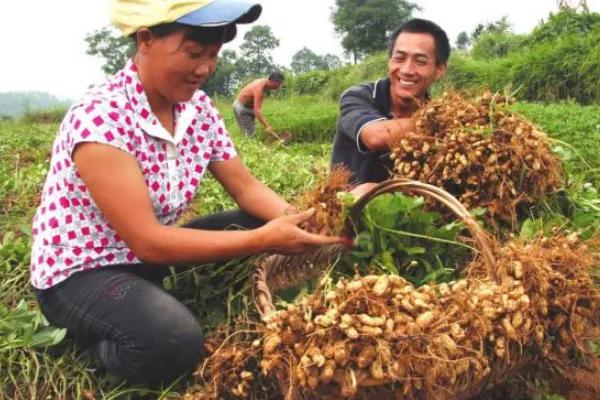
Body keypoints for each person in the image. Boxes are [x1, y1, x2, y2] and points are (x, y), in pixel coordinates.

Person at [30, 0, 348, 386]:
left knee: (260, 219)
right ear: (145, 39)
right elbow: (147, 240)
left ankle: (145, 295)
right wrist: (261, 240)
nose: (205, 68)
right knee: (173, 340)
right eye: (193, 53)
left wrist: (299, 218)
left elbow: (246, 188)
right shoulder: (102, 116)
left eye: (213, 55)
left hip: (146, 257)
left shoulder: (198, 110)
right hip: (84, 270)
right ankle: (98, 338)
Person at [331, 18, 450, 184]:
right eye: (399, 58)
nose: (407, 70)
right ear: (389, 61)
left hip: (410, 204)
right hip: (348, 203)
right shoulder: (358, 96)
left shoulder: (437, 112)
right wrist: (446, 122)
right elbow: (375, 136)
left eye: (420, 61)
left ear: (439, 69)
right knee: (367, 189)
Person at [233, 72, 284, 137]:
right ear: (272, 81)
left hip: (248, 107)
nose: (279, 86)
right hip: (241, 107)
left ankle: (247, 138)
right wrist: (267, 126)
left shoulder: (264, 82)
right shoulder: (259, 89)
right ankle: (249, 144)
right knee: (250, 134)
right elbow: (257, 111)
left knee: (250, 128)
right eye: (278, 84)